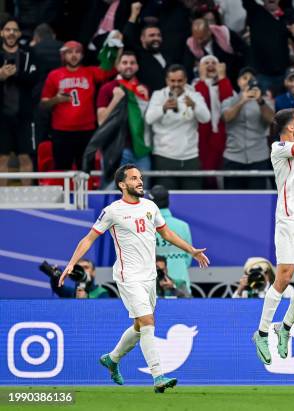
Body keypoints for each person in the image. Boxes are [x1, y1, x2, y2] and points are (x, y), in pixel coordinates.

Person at [58, 164, 210, 392]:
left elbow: (166, 233)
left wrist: (192, 250)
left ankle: (112, 358)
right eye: (134, 178)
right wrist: (71, 263)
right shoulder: (113, 211)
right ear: (122, 184)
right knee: (148, 322)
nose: (140, 181)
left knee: (139, 326)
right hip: (128, 276)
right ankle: (158, 376)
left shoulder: (150, 206)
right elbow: (89, 238)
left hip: (149, 277)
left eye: (140, 177)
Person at [252, 97, 294, 366]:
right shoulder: (279, 147)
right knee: (283, 275)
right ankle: (261, 332)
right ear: (290, 128)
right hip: (289, 218)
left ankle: (286, 326)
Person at [40, 40, 117, 171]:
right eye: (69, 52)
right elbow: (43, 105)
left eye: (77, 52)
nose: (74, 55)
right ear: (63, 55)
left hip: (86, 131)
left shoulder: (91, 72)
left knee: (87, 170)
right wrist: (56, 100)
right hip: (61, 132)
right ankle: (65, 193)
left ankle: (85, 193)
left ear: (82, 55)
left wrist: (115, 46)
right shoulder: (54, 75)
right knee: (62, 170)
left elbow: (113, 68)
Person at [145, 64, 211, 190]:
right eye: (172, 81)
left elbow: (206, 118)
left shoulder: (195, 96)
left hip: (190, 157)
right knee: (167, 200)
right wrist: (163, 108)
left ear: (186, 80)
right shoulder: (158, 95)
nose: (176, 84)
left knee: (192, 199)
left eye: (180, 81)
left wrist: (194, 105)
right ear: (167, 81)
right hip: (164, 157)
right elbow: (149, 119)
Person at [97, 50, 151, 173]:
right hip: (115, 149)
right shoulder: (107, 88)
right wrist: (115, 100)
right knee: (111, 189)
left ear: (137, 66)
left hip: (141, 150)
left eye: (132, 63)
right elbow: (101, 121)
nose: (128, 66)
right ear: (118, 66)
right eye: (125, 62)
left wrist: (145, 101)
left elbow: (149, 121)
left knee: (141, 190)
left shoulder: (142, 89)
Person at [221, 66, 274, 189]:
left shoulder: (265, 101)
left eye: (251, 79)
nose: (248, 81)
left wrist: (260, 100)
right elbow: (227, 118)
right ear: (239, 81)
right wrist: (242, 101)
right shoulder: (229, 101)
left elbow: (272, 120)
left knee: (257, 200)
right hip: (233, 157)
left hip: (258, 157)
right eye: (245, 78)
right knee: (232, 200)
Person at [0, 17, 37, 186]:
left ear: (19, 33)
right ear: (2, 33)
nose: (11, 33)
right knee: (2, 158)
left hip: (24, 115)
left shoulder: (28, 54)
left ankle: (27, 200)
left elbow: (34, 79)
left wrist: (15, 74)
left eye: (14, 30)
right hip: (2, 115)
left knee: (25, 157)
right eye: (8, 29)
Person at [242, 0, 294, 94]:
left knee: (283, 107)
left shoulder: (286, 16)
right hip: (261, 74)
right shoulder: (255, 11)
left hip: (283, 74)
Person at [194, 56, 234, 188]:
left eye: (214, 63)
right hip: (201, 134)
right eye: (206, 63)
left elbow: (227, 100)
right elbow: (202, 99)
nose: (210, 65)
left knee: (219, 171)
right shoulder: (195, 85)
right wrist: (203, 79)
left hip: (222, 133)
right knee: (206, 172)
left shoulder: (225, 84)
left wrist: (222, 77)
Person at [149, 185, 193, 296]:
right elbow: (188, 258)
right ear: (168, 201)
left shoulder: (147, 227)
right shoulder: (183, 226)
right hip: (181, 286)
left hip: (155, 287)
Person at [122, 2, 172, 92]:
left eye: (158, 35)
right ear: (142, 39)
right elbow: (126, 39)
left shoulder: (168, 55)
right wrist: (134, 15)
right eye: (151, 35)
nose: (156, 38)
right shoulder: (139, 55)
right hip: (147, 101)